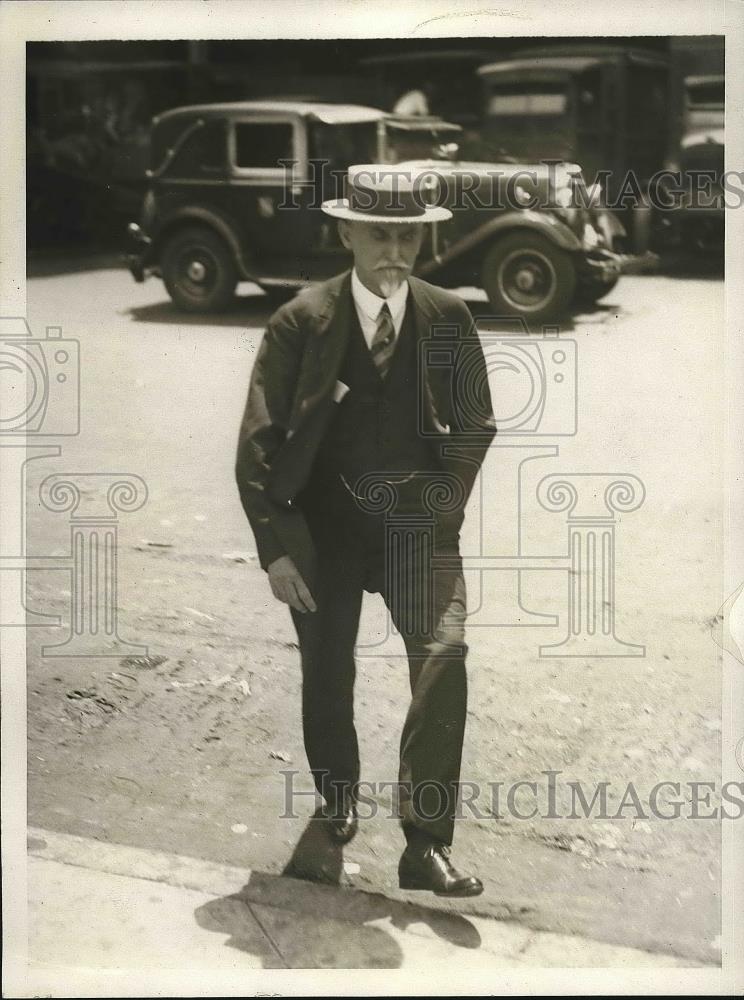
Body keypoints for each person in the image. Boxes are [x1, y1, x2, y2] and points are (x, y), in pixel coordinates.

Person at [235, 165, 496, 897]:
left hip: (419, 529)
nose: (395, 249)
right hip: (325, 531)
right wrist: (278, 549)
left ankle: (426, 844)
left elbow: (475, 425)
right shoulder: (301, 321)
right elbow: (258, 444)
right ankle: (337, 797)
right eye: (379, 232)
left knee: (446, 655)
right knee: (327, 668)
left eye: (408, 234)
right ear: (345, 231)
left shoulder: (447, 316)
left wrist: (442, 508)